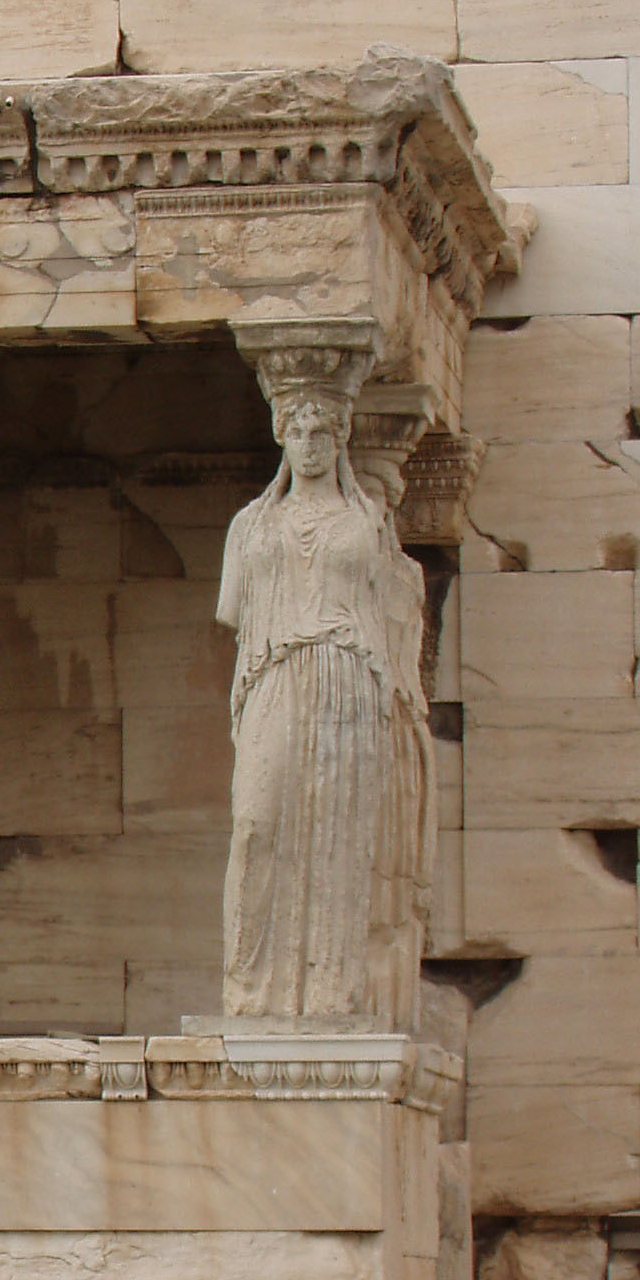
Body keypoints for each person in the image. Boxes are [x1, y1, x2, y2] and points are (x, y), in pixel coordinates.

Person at [216, 383, 428, 1019]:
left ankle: (329, 993)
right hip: (274, 674)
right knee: (256, 823)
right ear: (281, 435)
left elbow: (396, 616)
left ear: (340, 441)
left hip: (347, 680)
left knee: (338, 836)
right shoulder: (251, 525)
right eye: (299, 432)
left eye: (323, 434)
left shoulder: (367, 522)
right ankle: (249, 991)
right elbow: (233, 611)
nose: (310, 446)